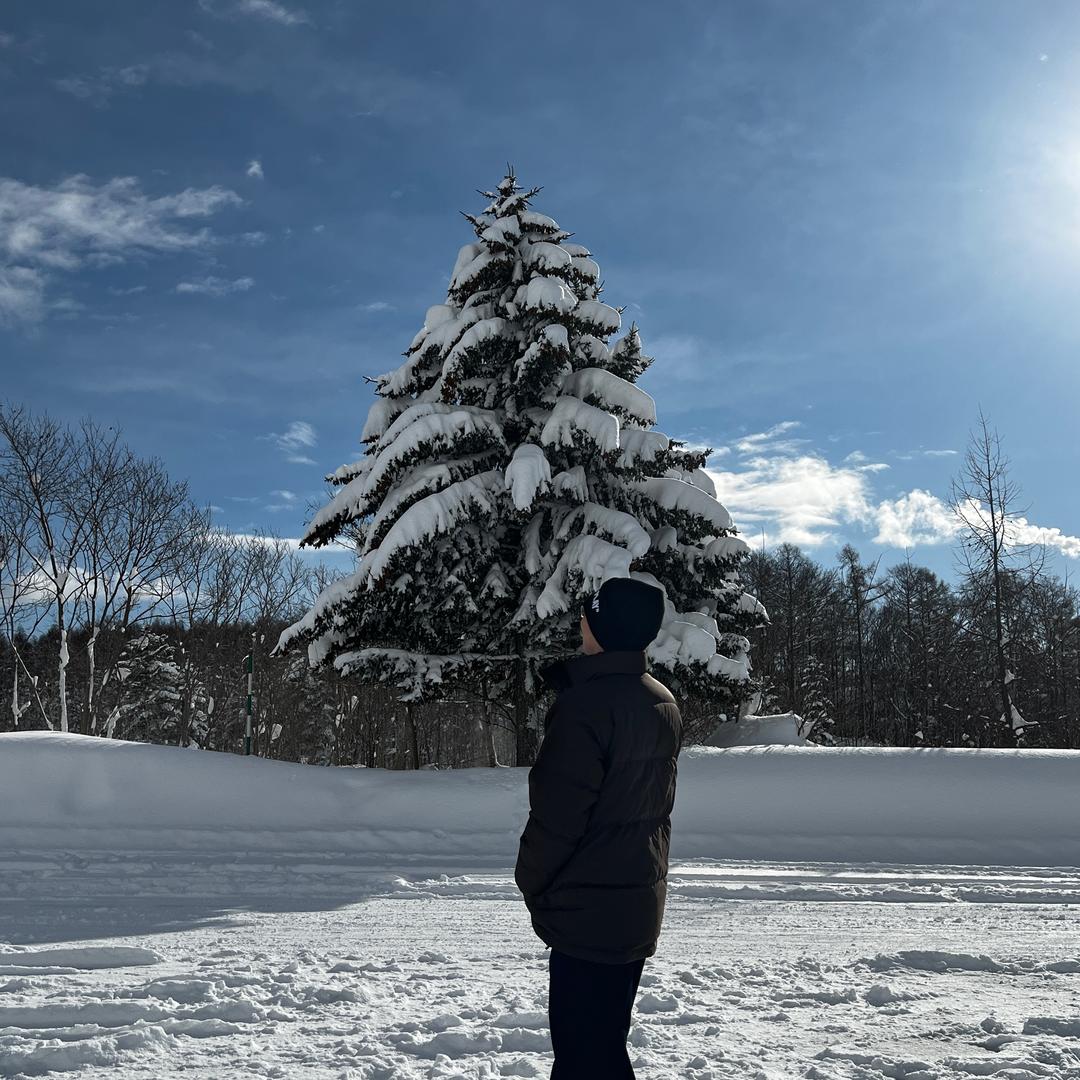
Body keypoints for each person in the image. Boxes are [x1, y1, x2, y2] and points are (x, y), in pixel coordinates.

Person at [515, 576, 683, 1079]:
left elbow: (558, 816)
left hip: (587, 911)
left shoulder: (586, 706)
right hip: (633, 904)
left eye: (587, 615)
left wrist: (532, 880)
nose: (580, 622)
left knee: (583, 1056)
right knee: (603, 1047)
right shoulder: (660, 700)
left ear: (601, 625)